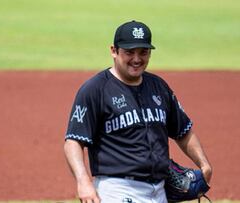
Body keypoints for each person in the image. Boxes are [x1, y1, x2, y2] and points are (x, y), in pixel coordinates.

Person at [63, 20, 212, 203]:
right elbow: (73, 142)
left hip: (159, 191)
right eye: (129, 52)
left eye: (143, 52)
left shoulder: (158, 86)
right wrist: (83, 182)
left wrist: (204, 165)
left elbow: (183, 131)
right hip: (116, 190)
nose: (136, 59)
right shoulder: (95, 89)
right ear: (113, 51)